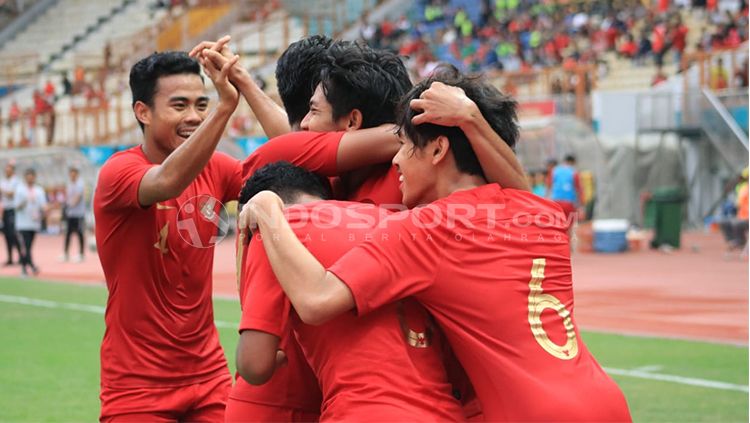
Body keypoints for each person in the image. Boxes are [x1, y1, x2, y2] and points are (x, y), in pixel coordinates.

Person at [240, 72, 632, 422]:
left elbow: (316, 300)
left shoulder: (426, 228)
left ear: (438, 149)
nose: (395, 159)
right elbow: (515, 184)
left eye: (406, 146)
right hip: (606, 401)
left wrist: (271, 212)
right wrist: (471, 119)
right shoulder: (539, 213)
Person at [237, 162, 464, 421]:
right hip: (445, 411)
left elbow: (254, 365)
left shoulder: (274, 228)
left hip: (360, 409)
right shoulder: (394, 221)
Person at [93, 50, 242, 422]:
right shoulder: (119, 172)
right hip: (137, 384)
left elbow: (292, 165)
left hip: (209, 376)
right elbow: (165, 181)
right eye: (179, 105)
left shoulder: (217, 169)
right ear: (143, 112)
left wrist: (244, 84)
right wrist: (224, 109)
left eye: (201, 104)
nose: (193, 116)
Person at [14, 168, 47, 276]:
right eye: (28, 176)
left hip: (34, 223)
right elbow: (15, 206)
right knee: (26, 246)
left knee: (29, 246)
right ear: (25, 177)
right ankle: (27, 267)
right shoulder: (20, 190)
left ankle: (28, 266)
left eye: (32, 176)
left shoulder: (39, 190)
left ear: (34, 177)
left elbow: (43, 205)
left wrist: (45, 211)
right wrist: (23, 202)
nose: (30, 178)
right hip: (23, 223)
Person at [549, 154, 584, 226]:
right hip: (569, 202)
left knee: (558, 225)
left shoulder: (555, 170)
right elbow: (579, 189)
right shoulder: (574, 172)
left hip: (556, 202)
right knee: (570, 226)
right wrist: (581, 204)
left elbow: (549, 186)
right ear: (573, 162)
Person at [61, 166, 86, 262]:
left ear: (77, 174)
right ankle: (65, 253)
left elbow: (78, 198)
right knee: (68, 233)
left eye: (74, 173)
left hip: (79, 214)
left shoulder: (80, 184)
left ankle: (81, 254)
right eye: (71, 173)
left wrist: (69, 204)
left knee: (80, 233)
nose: (72, 175)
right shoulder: (69, 185)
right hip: (70, 214)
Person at [0, 162, 20, 265]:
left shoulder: (16, 181)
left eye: (9, 170)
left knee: (13, 234)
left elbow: (11, 195)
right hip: (5, 210)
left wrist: (2, 191)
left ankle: (21, 256)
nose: (7, 172)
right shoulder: (3, 181)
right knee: (7, 235)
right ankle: (10, 258)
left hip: (13, 209)